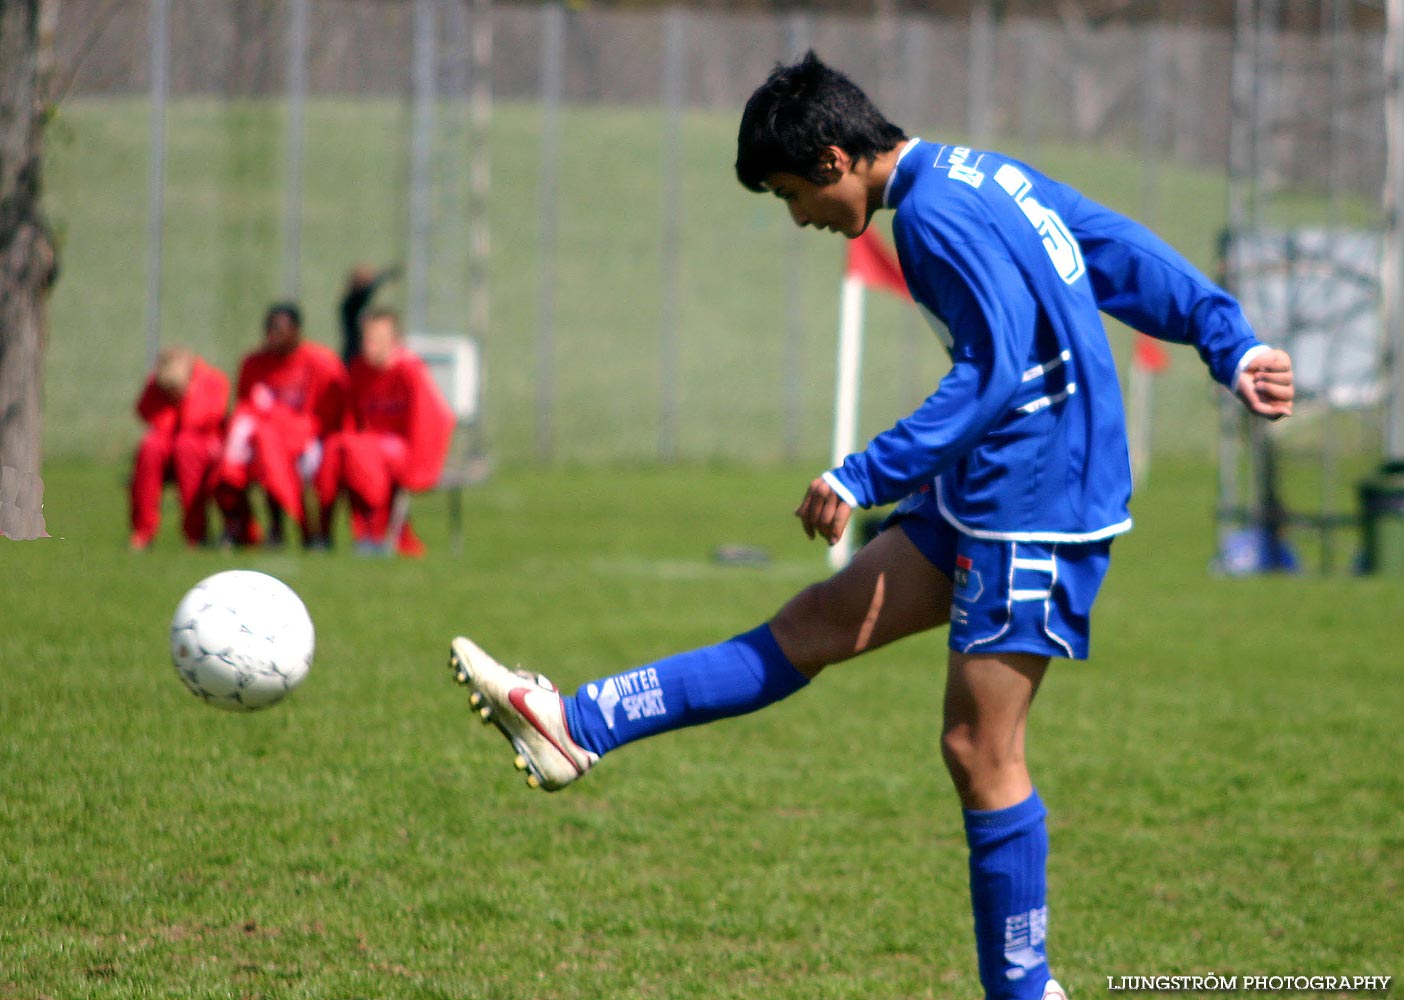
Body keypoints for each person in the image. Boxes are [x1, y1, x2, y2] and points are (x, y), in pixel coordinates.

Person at [446, 53, 1296, 1000]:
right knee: (816, 623)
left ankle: (1025, 990)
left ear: (836, 158)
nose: (800, 219)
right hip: (994, 482)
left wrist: (862, 472)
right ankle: (577, 725)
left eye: (789, 195)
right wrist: (1236, 341)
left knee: (981, 751)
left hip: (1038, 503)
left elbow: (994, 372)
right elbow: (1113, 248)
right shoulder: (984, 174)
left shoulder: (932, 216)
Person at [314, 307, 453, 556]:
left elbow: (432, 419)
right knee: (338, 448)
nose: (369, 346)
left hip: (400, 450)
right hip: (368, 447)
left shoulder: (409, 371)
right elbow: (349, 415)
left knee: (360, 452)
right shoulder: (358, 370)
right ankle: (322, 531)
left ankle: (376, 532)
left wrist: (419, 467)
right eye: (366, 339)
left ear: (394, 342)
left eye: (376, 340)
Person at [213, 302, 348, 547]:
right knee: (246, 454)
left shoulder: (320, 361)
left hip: (309, 439)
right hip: (268, 439)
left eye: (279, 329)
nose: (272, 336)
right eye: (269, 329)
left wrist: (292, 428)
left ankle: (316, 533)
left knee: (309, 462)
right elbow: (246, 407)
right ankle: (247, 529)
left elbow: (332, 410)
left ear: (296, 331)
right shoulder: (254, 363)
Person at [128, 346, 230, 550]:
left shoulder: (213, 380)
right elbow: (147, 412)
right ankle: (143, 532)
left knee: (186, 447)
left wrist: (188, 399)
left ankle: (195, 533)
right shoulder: (157, 382)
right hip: (171, 442)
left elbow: (202, 419)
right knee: (151, 447)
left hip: (204, 444)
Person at [339, 264, 401, 365]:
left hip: (362, 354)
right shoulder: (350, 303)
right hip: (353, 353)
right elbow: (367, 291)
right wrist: (385, 276)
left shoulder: (360, 304)